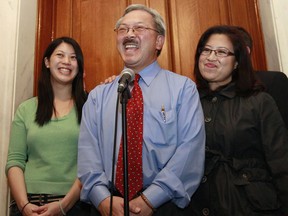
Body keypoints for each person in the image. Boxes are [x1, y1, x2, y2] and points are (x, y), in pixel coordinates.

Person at [77, 4, 205, 216]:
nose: (129, 34)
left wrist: (150, 199)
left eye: (138, 28)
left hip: (164, 205)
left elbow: (189, 150)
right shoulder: (98, 96)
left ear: (159, 41)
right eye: (123, 29)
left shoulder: (183, 89)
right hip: (107, 205)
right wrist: (102, 199)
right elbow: (88, 153)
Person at [188, 25, 288, 215]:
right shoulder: (187, 101)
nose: (210, 57)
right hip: (198, 204)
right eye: (206, 50)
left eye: (221, 52)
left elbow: (281, 161)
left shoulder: (259, 101)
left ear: (236, 63)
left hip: (249, 205)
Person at [5, 37, 89, 216]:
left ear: (79, 66)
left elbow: (92, 165)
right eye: (60, 55)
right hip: (27, 206)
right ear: (47, 62)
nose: (66, 61)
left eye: (73, 57)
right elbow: (15, 161)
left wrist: (63, 206)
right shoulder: (26, 109)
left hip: (74, 206)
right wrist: (24, 205)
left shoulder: (90, 108)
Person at [234, 26, 288, 128]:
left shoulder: (273, 81)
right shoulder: (211, 90)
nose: (213, 57)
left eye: (223, 50)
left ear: (245, 51)